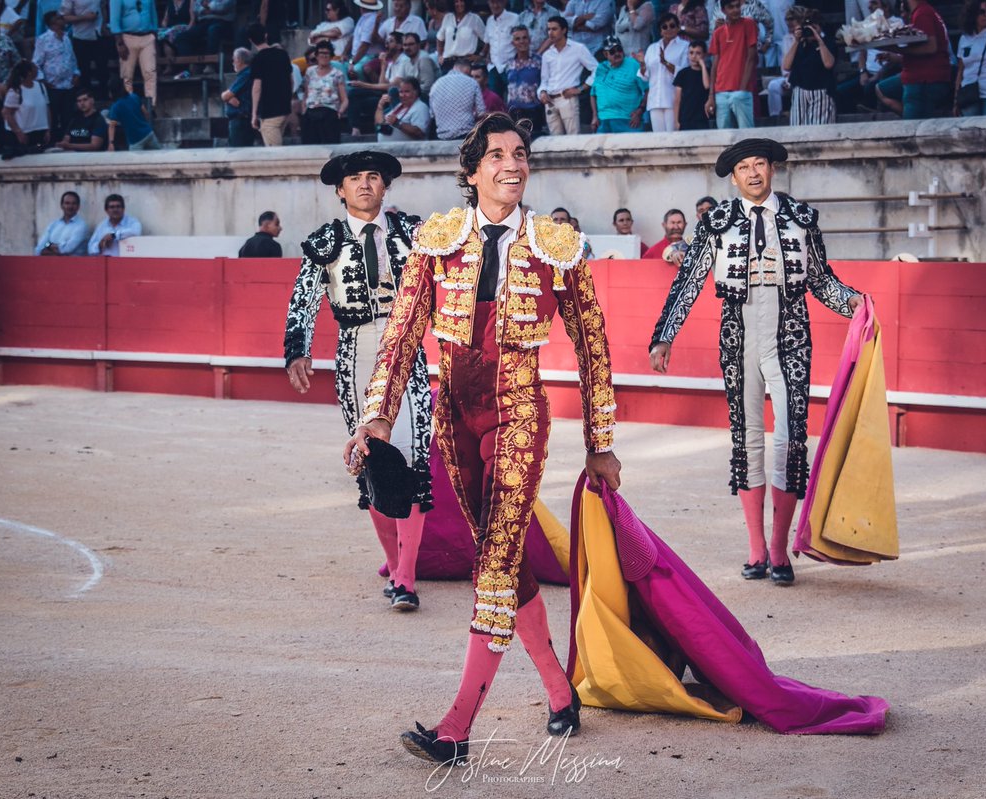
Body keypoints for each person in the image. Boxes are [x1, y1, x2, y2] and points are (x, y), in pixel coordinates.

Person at [343, 112, 620, 764]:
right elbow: (404, 327)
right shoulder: (437, 238)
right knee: (507, 560)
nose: (512, 164)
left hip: (517, 409)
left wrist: (600, 442)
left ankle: (457, 726)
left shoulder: (557, 242)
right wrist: (377, 414)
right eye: (496, 154)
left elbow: (593, 348)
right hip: (452, 409)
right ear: (472, 171)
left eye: (520, 153)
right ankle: (559, 690)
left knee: (493, 564)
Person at [649, 138, 864, 586]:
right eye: (744, 167)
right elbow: (688, 280)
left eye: (759, 164)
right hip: (738, 338)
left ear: (772, 169)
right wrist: (664, 336)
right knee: (747, 441)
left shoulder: (801, 218)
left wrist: (861, 306)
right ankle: (756, 548)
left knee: (790, 442)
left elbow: (823, 282)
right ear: (733, 176)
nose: (752, 173)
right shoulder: (718, 221)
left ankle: (781, 550)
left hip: (791, 338)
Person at [286, 150, 433, 612]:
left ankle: (406, 578)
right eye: (355, 178)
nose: (365, 184)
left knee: (412, 457)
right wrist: (297, 349)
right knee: (372, 457)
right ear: (340, 190)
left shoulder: (416, 232)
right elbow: (303, 298)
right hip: (354, 353)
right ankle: (393, 560)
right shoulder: (325, 240)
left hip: (408, 347)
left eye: (374, 177)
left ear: (385, 187)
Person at [877, 0, 950, 119]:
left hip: (922, 81)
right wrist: (894, 54)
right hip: (916, 77)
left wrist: (896, 49)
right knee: (881, 89)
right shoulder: (921, 12)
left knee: (913, 130)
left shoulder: (923, 13)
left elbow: (930, 47)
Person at [538, 15, 596, 135]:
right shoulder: (547, 54)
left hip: (567, 99)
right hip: (550, 101)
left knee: (573, 139)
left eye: (554, 29)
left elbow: (597, 69)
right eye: (549, 29)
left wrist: (580, 89)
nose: (550, 33)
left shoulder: (578, 49)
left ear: (564, 30)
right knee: (554, 141)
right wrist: (542, 92)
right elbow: (544, 81)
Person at [708, 0, 757, 129]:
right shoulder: (718, 32)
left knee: (747, 135)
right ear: (723, 10)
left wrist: (742, 88)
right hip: (721, 91)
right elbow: (715, 64)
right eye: (731, 7)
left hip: (741, 90)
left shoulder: (748, 24)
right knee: (724, 137)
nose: (735, 10)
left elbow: (751, 57)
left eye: (737, 6)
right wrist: (711, 95)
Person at [782, 6, 836, 125]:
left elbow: (828, 64)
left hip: (822, 92)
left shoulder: (828, 42)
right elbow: (786, 66)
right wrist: (796, 40)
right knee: (797, 130)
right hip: (800, 91)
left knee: (820, 132)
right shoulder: (799, 43)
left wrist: (819, 39)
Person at [639, 12, 689, 132]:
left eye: (672, 25)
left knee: (673, 138)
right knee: (659, 139)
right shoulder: (652, 48)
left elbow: (684, 74)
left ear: (678, 28)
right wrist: (642, 63)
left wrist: (665, 62)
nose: (669, 29)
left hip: (672, 99)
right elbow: (644, 76)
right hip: (654, 100)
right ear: (660, 30)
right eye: (664, 26)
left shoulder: (685, 46)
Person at [33, 10, 79, 138]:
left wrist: (76, 73)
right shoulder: (42, 40)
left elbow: (72, 58)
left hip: (68, 85)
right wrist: (43, 80)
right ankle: (52, 141)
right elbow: (36, 62)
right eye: (60, 18)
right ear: (53, 23)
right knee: (53, 115)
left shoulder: (66, 38)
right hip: (53, 86)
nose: (63, 20)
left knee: (68, 116)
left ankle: (68, 141)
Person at [109, 0, 158, 114]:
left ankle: (151, 107)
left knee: (150, 73)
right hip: (127, 37)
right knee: (127, 76)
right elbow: (114, 19)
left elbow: (153, 15)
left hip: (147, 36)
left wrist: (155, 35)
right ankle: (130, 107)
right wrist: (119, 43)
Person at [247, 21, 291, 146]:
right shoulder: (282, 54)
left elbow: (257, 87)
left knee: (275, 153)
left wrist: (254, 113)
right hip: (285, 109)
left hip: (269, 112)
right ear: (266, 35)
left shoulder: (257, 59)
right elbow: (291, 80)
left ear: (251, 40)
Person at [591, 34, 645, 132]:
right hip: (603, 121)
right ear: (605, 54)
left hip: (628, 121)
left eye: (619, 49)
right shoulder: (601, 68)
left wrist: (639, 111)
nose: (617, 53)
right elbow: (593, 94)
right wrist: (595, 116)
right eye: (612, 51)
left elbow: (647, 90)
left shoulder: (633, 65)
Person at [61, 0, 113, 99]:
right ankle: (86, 97)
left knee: (102, 67)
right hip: (81, 36)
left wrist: (105, 24)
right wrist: (85, 17)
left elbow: (103, 6)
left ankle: (104, 95)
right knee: (84, 69)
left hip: (100, 34)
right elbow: (64, 17)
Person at [299, 41, 345, 144]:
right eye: (321, 53)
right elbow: (306, 94)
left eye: (327, 53)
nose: (324, 56)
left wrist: (340, 112)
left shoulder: (338, 74)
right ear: (316, 55)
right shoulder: (309, 71)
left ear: (331, 56)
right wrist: (304, 110)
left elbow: (344, 99)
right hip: (310, 113)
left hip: (329, 113)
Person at [1, 59, 50, 157]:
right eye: (35, 68)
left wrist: (48, 129)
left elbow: (47, 109)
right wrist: (19, 133)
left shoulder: (41, 86)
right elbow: (7, 113)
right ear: (29, 72)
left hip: (39, 132)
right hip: (22, 135)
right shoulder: (16, 90)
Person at [429, 56, 484, 140]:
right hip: (465, 136)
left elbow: (432, 114)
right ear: (467, 70)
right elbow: (482, 113)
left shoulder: (436, 85)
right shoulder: (472, 82)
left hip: (442, 137)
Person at [505, 24, 543, 133]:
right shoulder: (509, 64)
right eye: (517, 39)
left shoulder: (538, 61)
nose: (522, 41)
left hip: (533, 111)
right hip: (513, 111)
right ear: (513, 43)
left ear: (529, 40)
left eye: (524, 38)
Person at [106, 76, 160, 150]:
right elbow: (146, 113)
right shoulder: (134, 96)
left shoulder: (115, 107)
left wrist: (111, 143)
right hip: (148, 133)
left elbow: (112, 126)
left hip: (135, 141)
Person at [35, 190, 90, 255]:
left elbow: (66, 250)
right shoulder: (53, 225)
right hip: (50, 263)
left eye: (74, 203)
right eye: (67, 203)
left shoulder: (82, 226)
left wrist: (48, 246)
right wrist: (52, 246)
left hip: (72, 264)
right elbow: (38, 249)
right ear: (61, 205)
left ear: (78, 206)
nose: (70, 206)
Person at [375, 74, 427, 141]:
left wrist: (398, 123)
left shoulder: (421, 107)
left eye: (407, 91)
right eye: (401, 92)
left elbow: (420, 133)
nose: (403, 95)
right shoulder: (399, 106)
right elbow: (378, 123)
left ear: (416, 92)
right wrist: (380, 107)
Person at [221, 45, 254, 146]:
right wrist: (228, 97)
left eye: (234, 60)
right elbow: (227, 95)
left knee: (237, 152)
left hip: (241, 120)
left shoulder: (246, 74)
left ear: (239, 60)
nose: (233, 62)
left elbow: (226, 96)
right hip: (241, 120)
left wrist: (227, 97)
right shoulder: (245, 74)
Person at [482, 0, 517, 91]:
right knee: (495, 100)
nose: (495, 5)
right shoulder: (489, 20)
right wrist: (485, 56)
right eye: (492, 2)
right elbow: (488, 41)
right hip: (493, 67)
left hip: (510, 66)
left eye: (498, 2)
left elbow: (520, 40)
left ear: (504, 2)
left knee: (511, 98)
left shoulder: (514, 18)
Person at [437, 0, 483, 70]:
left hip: (465, 63)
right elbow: (440, 38)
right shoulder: (447, 17)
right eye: (456, 1)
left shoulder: (475, 18)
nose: (459, 4)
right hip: (447, 62)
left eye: (462, 1)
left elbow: (487, 39)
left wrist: (480, 56)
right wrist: (440, 55)